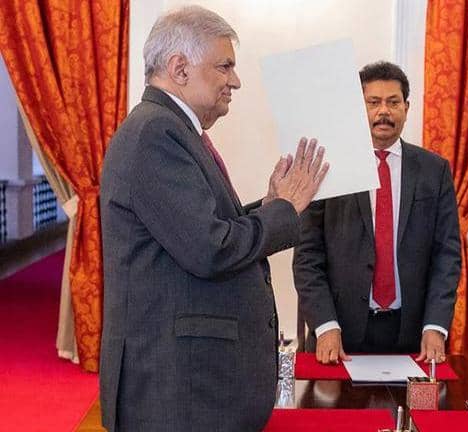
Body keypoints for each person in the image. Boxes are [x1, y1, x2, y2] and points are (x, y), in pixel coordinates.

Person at [99, 6, 328, 431]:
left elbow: (200, 228)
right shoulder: (155, 132)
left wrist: (270, 205)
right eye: (225, 66)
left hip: (189, 383)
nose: (235, 81)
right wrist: (283, 211)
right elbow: (210, 249)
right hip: (179, 388)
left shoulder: (170, 128)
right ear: (179, 68)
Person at [292, 61, 461, 365]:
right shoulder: (327, 168)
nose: (384, 111)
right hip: (338, 336)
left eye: (393, 102)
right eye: (373, 102)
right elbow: (307, 256)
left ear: (406, 107)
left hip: (413, 334)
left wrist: (435, 326)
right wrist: (325, 325)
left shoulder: (434, 171)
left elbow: (446, 256)